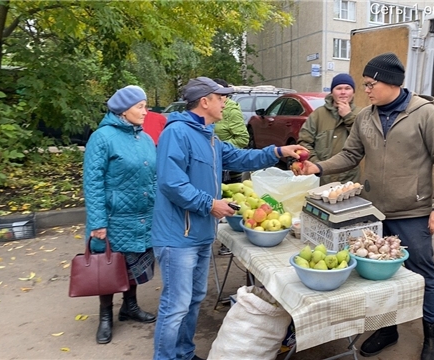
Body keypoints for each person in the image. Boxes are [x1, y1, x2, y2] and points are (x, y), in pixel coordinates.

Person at [292, 53, 434, 360]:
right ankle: (387, 328)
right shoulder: (366, 116)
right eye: (365, 84)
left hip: (413, 211)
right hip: (375, 212)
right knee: (381, 277)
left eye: (370, 83)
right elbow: (351, 155)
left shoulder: (425, 113)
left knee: (422, 273)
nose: (365, 90)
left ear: (391, 82)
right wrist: (319, 168)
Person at [150, 76, 307, 360]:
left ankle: (184, 354)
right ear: (204, 101)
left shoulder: (208, 135)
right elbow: (171, 183)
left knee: (194, 299)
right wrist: (209, 204)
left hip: (199, 233)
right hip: (177, 237)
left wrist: (278, 151)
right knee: (176, 305)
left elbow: (240, 158)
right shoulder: (177, 133)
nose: (225, 101)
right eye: (221, 97)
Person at [83, 85, 157, 345]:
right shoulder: (102, 138)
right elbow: (92, 182)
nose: (145, 112)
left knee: (134, 263)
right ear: (124, 110)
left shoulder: (145, 138)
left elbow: (154, 177)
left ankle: (130, 306)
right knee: (109, 266)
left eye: (145, 106)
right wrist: (97, 222)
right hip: (114, 218)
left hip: (142, 215)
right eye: (140, 106)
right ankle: (105, 316)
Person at [297, 73, 360, 185]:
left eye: (347, 88)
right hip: (320, 179)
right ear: (332, 92)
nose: (343, 92)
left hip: (349, 181)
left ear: (353, 92)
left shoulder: (361, 114)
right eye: (339, 88)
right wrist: (318, 165)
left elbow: (364, 141)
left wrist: (348, 116)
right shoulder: (318, 114)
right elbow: (304, 142)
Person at [212, 78, 250, 256]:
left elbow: (242, 139)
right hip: (212, 165)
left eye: (223, 95)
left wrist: (218, 149)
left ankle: (229, 243)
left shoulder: (232, 111)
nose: (221, 99)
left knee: (231, 202)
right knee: (214, 200)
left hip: (229, 167)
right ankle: (217, 236)